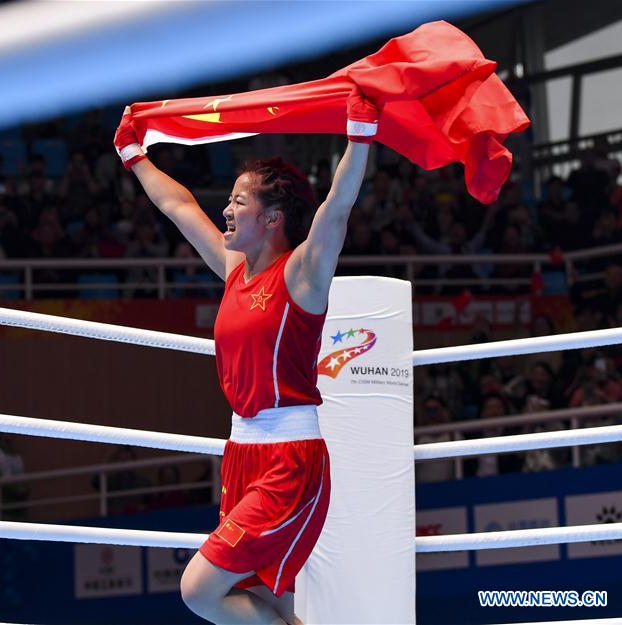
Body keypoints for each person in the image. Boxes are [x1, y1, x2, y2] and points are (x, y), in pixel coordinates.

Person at [114, 88, 379, 625]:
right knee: (271, 602)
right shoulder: (235, 273)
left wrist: (359, 136)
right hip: (241, 454)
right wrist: (135, 155)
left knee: (199, 590)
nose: (226, 210)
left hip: (290, 459)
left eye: (239, 201)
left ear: (273, 217)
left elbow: (337, 209)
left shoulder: (302, 275)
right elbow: (178, 205)